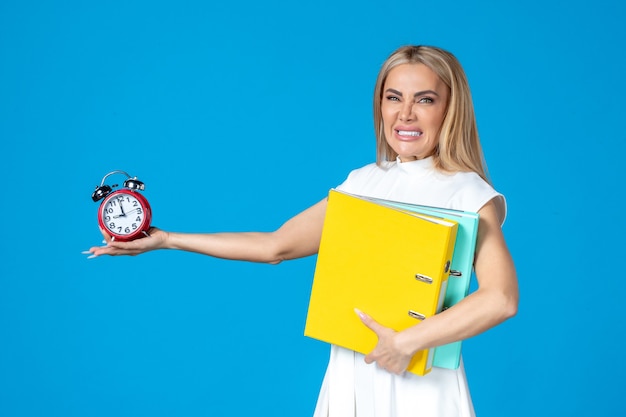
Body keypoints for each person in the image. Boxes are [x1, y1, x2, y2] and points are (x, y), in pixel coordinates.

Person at [87, 45, 519, 417]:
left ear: (450, 108)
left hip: (423, 384)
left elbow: (500, 298)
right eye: (393, 98)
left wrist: (407, 342)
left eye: (424, 99)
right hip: (354, 371)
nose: (405, 113)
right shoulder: (362, 182)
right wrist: (167, 239)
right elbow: (275, 246)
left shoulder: (469, 193)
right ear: (380, 105)